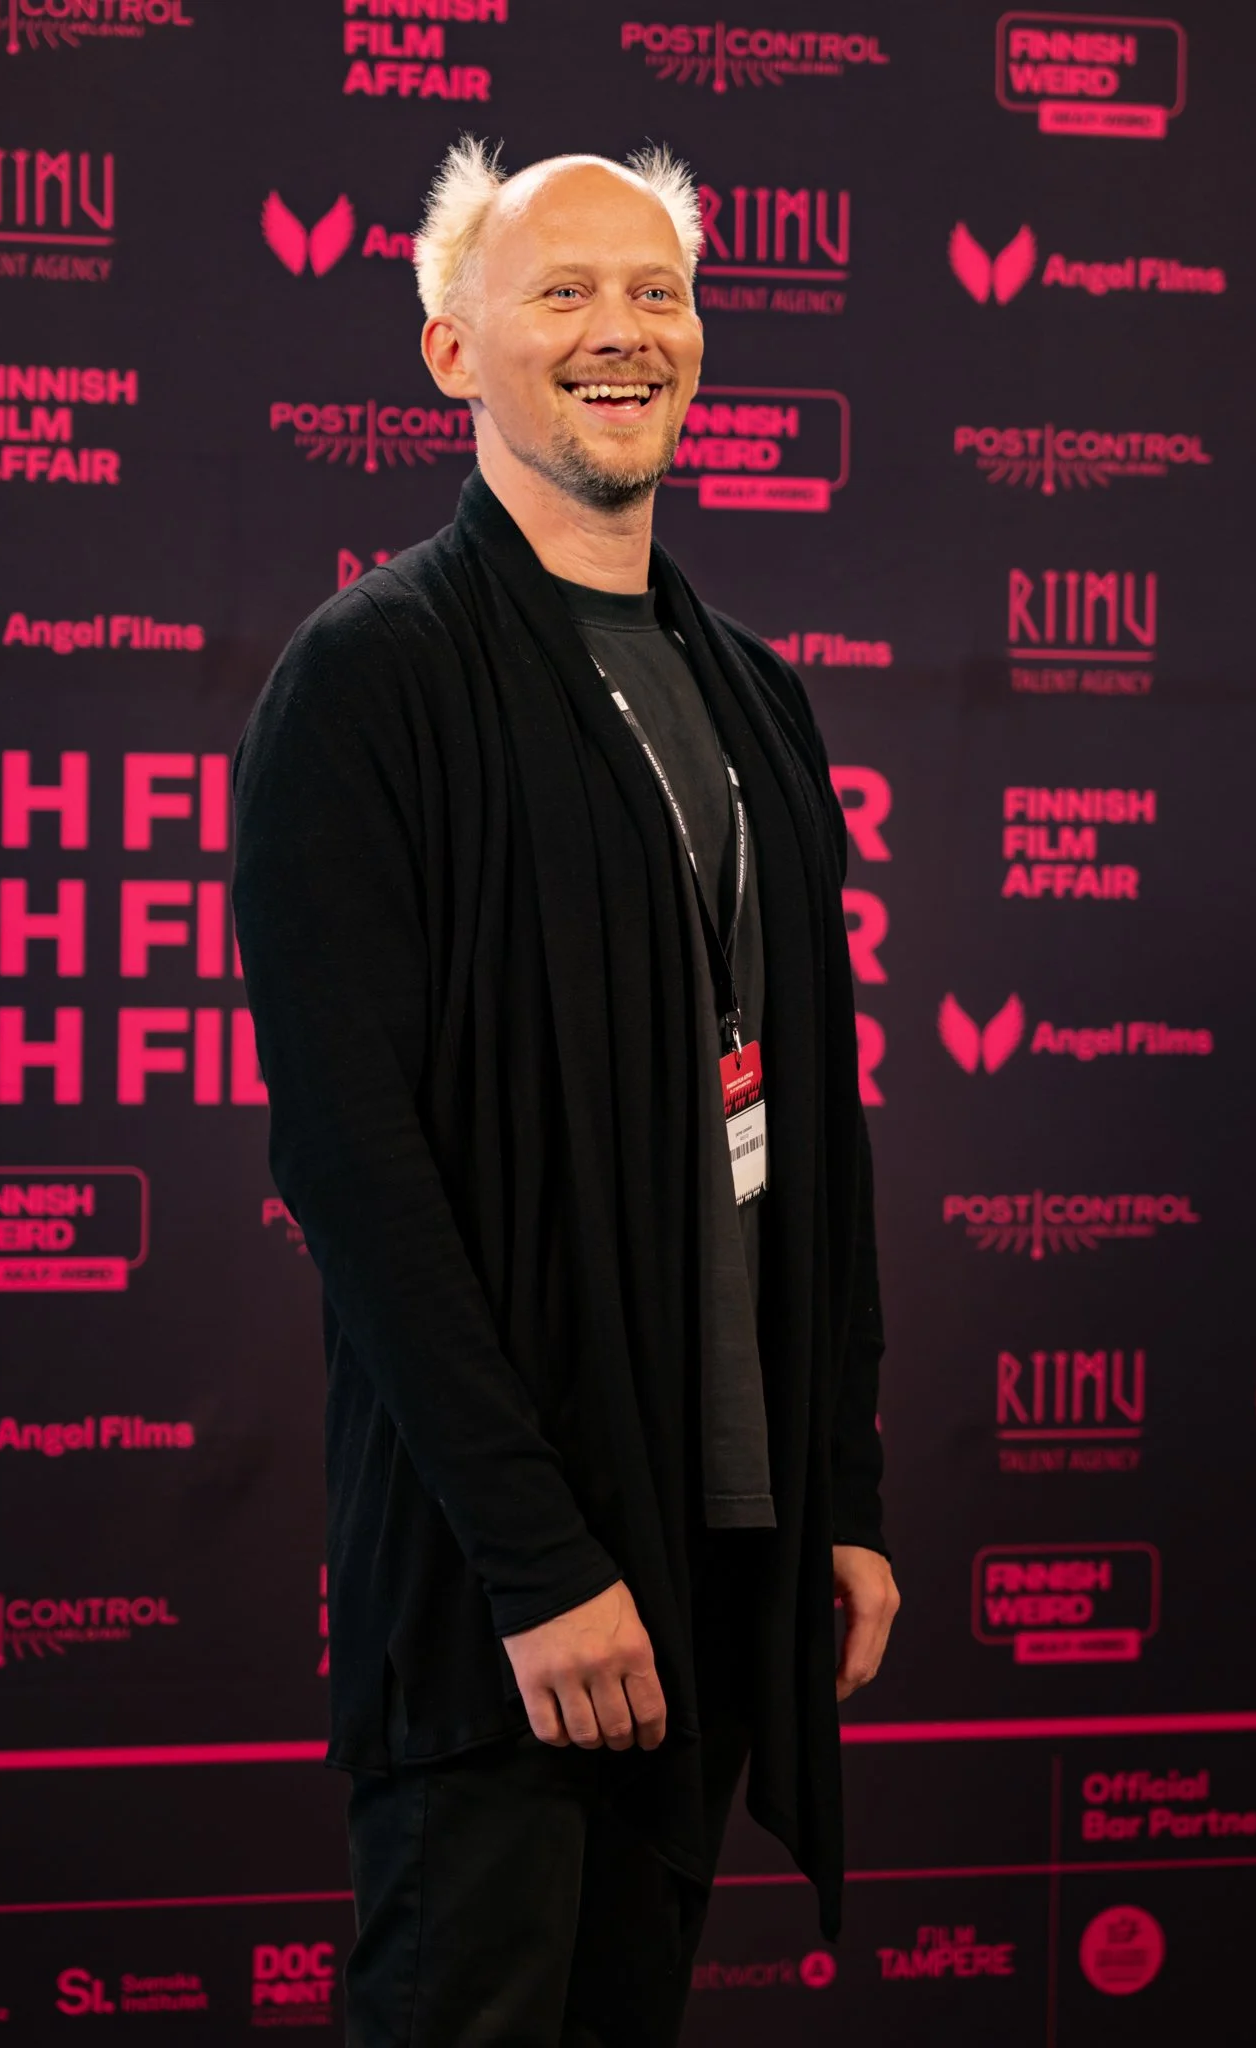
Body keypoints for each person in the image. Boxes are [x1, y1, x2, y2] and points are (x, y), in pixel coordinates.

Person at [231, 137, 899, 2048]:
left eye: (658, 293)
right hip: (507, 1606)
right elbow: (355, 1167)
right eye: (563, 294)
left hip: (711, 1568)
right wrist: (538, 1562)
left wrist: (838, 1488)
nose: (623, 333)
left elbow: (820, 1133)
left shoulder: (754, 689)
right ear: (449, 351)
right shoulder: (370, 682)